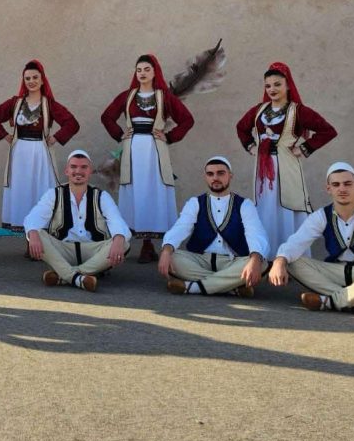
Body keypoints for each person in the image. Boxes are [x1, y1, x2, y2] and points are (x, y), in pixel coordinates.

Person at [268, 162, 354, 315]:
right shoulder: (321, 216)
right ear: (329, 189)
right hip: (336, 275)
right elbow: (297, 241)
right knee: (291, 261)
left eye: (347, 184)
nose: (342, 189)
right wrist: (280, 260)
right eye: (336, 185)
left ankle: (331, 301)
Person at [235, 62, 337, 258]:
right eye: (268, 85)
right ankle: (266, 257)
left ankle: (290, 258)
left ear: (288, 85)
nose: (272, 89)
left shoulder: (298, 111)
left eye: (277, 84)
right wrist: (251, 146)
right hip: (263, 170)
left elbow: (328, 131)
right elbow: (241, 127)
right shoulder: (259, 110)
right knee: (266, 209)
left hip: (287, 167)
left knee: (287, 208)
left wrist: (305, 148)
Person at [101, 54, 194, 263]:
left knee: (154, 191)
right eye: (139, 70)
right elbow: (106, 117)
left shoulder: (164, 97)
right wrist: (119, 134)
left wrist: (170, 136)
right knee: (136, 190)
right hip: (133, 150)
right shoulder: (127, 96)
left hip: (155, 151)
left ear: (155, 72)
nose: (142, 73)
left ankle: (157, 245)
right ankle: (135, 243)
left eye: (146, 69)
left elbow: (187, 120)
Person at [0, 60, 79, 232]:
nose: (31, 81)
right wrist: (4, 135)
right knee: (21, 188)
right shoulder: (16, 103)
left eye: (35, 77)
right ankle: (23, 228)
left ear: (42, 80)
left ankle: (40, 229)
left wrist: (56, 137)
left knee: (40, 188)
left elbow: (72, 123)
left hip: (40, 152)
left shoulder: (49, 104)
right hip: (20, 152)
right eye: (27, 78)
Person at [157, 156, 268, 297]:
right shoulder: (195, 203)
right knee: (170, 256)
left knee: (261, 263)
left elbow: (255, 232)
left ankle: (192, 287)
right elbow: (181, 227)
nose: (215, 178)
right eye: (210, 174)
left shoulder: (245, 205)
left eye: (221, 173)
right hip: (200, 260)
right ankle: (231, 287)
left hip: (232, 261)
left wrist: (255, 259)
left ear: (230, 175)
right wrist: (167, 250)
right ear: (206, 177)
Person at [22, 150, 131, 292]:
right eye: (73, 167)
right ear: (67, 171)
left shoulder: (101, 196)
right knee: (36, 233)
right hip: (62, 251)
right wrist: (33, 233)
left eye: (83, 167)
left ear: (90, 171)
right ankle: (81, 277)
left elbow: (116, 220)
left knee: (123, 242)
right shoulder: (53, 194)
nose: (78, 171)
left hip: (94, 252)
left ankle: (65, 275)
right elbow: (33, 218)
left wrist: (119, 238)